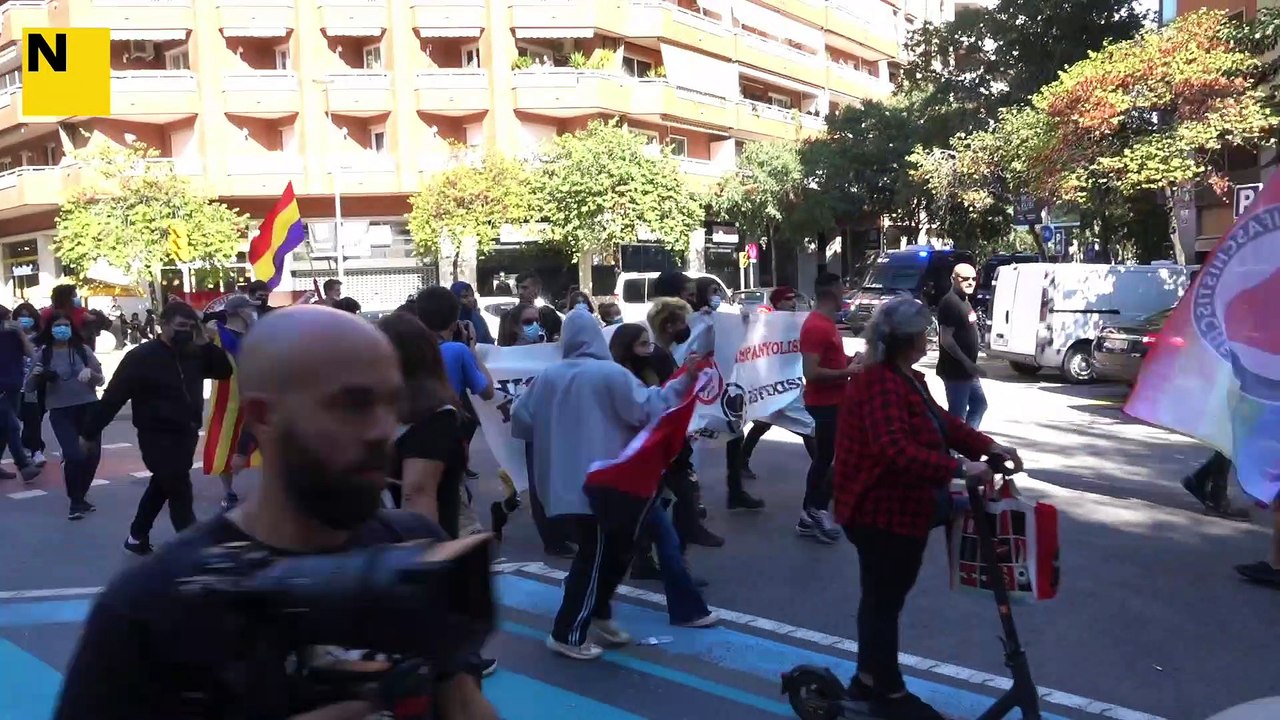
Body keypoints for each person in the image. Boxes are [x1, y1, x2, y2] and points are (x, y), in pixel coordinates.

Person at [54, 305, 498, 720]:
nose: (383, 429)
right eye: (353, 405)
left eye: (391, 404)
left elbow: (463, 702)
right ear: (264, 417)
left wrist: (447, 680)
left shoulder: (414, 550)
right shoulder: (150, 609)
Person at [833, 296, 1023, 720]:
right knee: (884, 600)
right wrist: (960, 468)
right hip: (879, 510)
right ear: (908, 339)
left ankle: (868, 680)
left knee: (882, 599)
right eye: (923, 330)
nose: (927, 337)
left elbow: (943, 423)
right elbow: (893, 449)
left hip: (904, 508)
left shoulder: (906, 378)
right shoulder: (878, 382)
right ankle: (887, 691)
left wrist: (988, 446)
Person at [512, 308, 697, 660]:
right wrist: (684, 380)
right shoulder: (610, 374)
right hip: (605, 482)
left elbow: (521, 421)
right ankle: (568, 631)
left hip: (566, 484)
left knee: (610, 551)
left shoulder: (547, 377)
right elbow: (649, 409)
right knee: (598, 554)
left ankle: (596, 612)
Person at [81, 301, 234, 556]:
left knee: (163, 483)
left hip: (186, 432)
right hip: (155, 434)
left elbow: (223, 371)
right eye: (180, 327)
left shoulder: (194, 353)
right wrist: (89, 432)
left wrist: (204, 340)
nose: (185, 332)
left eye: (189, 326)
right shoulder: (141, 357)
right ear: (163, 325)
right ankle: (191, 545)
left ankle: (136, 536)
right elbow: (113, 398)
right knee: (178, 486)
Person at [609, 322, 718, 628]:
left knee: (650, 533)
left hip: (650, 464)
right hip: (634, 469)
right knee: (622, 542)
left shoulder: (646, 369)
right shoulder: (620, 379)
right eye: (642, 344)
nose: (649, 349)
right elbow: (651, 408)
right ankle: (686, 606)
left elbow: (662, 400)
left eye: (648, 343)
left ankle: (679, 599)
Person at [647, 298, 722, 548]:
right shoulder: (657, 356)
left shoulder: (665, 352)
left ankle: (676, 541)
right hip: (665, 434)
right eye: (682, 323)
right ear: (669, 326)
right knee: (678, 488)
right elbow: (661, 394)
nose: (685, 328)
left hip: (670, 432)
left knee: (673, 491)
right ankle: (678, 540)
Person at [690, 276, 764, 511]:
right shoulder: (694, 319)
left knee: (735, 433)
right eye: (712, 291)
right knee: (694, 442)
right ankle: (693, 498)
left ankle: (735, 491)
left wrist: (742, 322)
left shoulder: (718, 316)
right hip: (701, 386)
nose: (717, 296)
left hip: (722, 383)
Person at [27, 312, 104, 520]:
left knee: (92, 456)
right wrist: (37, 375)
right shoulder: (44, 354)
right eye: (58, 326)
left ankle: (81, 495)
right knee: (74, 455)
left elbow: (101, 380)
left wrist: (91, 375)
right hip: (61, 411)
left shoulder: (83, 350)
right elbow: (29, 387)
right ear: (50, 329)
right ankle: (75, 502)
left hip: (88, 407)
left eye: (66, 326)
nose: (63, 330)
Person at [797, 272, 855, 543]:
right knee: (827, 461)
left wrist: (851, 361)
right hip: (823, 405)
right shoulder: (817, 325)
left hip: (836, 403)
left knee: (825, 459)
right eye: (842, 286)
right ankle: (816, 511)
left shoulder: (827, 323)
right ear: (833, 290)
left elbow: (832, 361)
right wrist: (848, 371)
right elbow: (811, 372)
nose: (845, 291)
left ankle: (809, 514)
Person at [740, 286, 814, 478]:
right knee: (806, 425)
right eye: (788, 299)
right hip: (773, 383)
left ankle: (741, 460)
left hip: (788, 382)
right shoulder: (766, 322)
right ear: (778, 302)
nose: (793, 303)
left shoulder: (796, 323)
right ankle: (823, 471)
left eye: (793, 299)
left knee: (764, 423)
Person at [207, 295, 259, 511]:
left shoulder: (255, 334)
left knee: (261, 438)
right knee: (223, 444)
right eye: (249, 308)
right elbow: (200, 322)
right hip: (227, 399)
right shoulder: (217, 331)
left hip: (254, 395)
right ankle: (228, 491)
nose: (253, 311)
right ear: (239, 310)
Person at [936, 263, 988, 428]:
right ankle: (954, 451)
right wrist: (967, 363)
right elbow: (946, 339)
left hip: (967, 371)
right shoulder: (950, 303)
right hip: (955, 371)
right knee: (957, 416)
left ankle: (969, 442)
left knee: (979, 405)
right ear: (953, 279)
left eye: (974, 278)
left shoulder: (964, 300)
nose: (971, 282)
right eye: (965, 278)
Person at [0, 305, 39, 482]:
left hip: (14, 385)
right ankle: (23, 465)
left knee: (4, 428)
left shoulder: (14, 335)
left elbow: (31, 354)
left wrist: (21, 334)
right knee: (12, 426)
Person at [14, 302, 46, 466]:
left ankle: (36, 451)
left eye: (28, 316)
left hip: (33, 385)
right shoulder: (10, 337)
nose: (24, 320)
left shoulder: (40, 339)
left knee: (33, 418)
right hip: (13, 385)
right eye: (21, 316)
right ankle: (30, 447)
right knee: (12, 421)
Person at [452, 281, 495, 345]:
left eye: (472, 295)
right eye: (465, 296)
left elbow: (488, 343)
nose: (471, 299)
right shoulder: (449, 321)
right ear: (455, 298)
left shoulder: (478, 319)